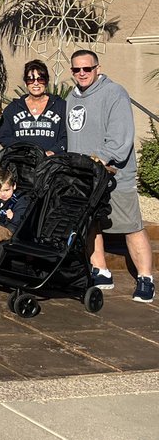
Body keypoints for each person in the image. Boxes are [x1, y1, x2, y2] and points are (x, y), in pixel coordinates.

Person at [66, 50, 154, 301]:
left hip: (115, 175)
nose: (82, 73)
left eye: (87, 69)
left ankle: (146, 278)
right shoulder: (73, 97)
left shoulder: (114, 93)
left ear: (97, 68)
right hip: (85, 176)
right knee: (91, 224)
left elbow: (121, 139)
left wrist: (101, 158)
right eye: (76, 70)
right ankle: (100, 270)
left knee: (131, 226)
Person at [0, 60, 66, 154]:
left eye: (40, 79)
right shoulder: (13, 108)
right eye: (30, 79)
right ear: (26, 83)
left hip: (52, 162)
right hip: (22, 161)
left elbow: (67, 135)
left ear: (46, 82)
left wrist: (53, 151)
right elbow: (4, 136)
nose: (36, 83)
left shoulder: (60, 106)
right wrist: (22, 151)